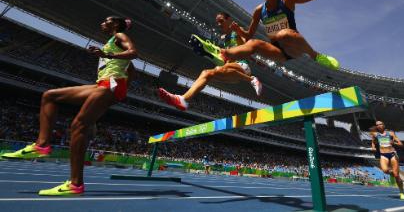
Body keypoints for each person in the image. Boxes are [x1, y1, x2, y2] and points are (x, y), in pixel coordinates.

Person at [2, 16, 137, 196]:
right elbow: (132, 68)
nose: (102, 23)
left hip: (111, 85)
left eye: (106, 21)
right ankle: (42, 145)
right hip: (103, 85)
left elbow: (134, 53)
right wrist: (122, 82)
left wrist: (109, 58)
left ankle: (75, 184)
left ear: (115, 24)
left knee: (78, 126)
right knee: (50, 96)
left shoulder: (119, 36)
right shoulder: (111, 41)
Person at [220, 0, 339, 70]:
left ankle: (316, 56)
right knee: (253, 43)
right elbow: (248, 35)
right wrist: (238, 30)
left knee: (283, 34)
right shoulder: (259, 10)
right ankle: (225, 54)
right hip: (278, 52)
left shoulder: (286, 1)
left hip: (293, 46)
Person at [157, 12, 262, 111]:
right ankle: (183, 100)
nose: (219, 24)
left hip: (242, 66)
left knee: (218, 68)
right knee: (206, 73)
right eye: (217, 22)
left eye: (221, 21)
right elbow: (227, 56)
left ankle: (252, 79)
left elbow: (246, 47)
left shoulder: (238, 31)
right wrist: (220, 52)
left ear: (229, 19)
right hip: (232, 71)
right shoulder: (225, 38)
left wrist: (238, 31)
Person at [371, 121, 404, 200]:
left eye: (380, 124)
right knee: (385, 170)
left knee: (397, 175)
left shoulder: (391, 134)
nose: (379, 126)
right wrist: (373, 147)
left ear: (384, 125)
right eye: (377, 125)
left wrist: (393, 143)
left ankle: (402, 192)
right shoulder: (375, 134)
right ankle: (391, 174)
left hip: (392, 154)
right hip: (383, 155)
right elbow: (373, 142)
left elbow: (401, 144)